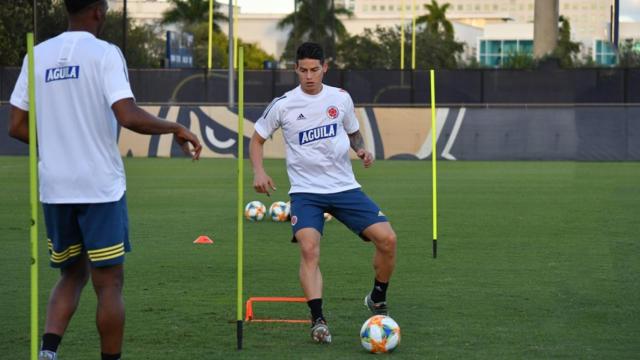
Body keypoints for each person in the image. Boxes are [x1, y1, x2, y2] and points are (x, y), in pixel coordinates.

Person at [8, 1, 202, 359]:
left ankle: (48, 354)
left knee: (70, 275)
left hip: (55, 187)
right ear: (99, 11)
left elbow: (17, 126)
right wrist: (175, 126)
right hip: (99, 187)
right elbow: (126, 114)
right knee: (108, 282)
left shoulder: (37, 54)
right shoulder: (105, 53)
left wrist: (55, 141)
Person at [249, 42, 397, 344]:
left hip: (345, 188)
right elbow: (257, 139)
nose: (309, 76)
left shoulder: (340, 98)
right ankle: (318, 320)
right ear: (296, 70)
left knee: (388, 239)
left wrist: (361, 149)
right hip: (306, 193)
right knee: (309, 248)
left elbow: (352, 130)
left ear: (324, 68)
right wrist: (259, 171)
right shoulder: (283, 104)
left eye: (314, 70)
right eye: (303, 70)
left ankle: (377, 296)